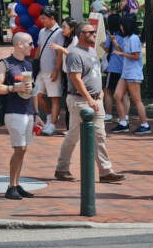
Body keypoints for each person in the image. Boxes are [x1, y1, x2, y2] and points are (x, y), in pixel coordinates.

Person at [54, 21, 126, 184]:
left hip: (95, 100)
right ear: (80, 35)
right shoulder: (74, 54)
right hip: (80, 101)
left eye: (94, 32)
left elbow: (94, 73)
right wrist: (89, 99)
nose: (94, 34)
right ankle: (62, 168)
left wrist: (99, 93)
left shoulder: (92, 51)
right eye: (90, 32)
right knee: (73, 136)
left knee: (100, 136)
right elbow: (76, 79)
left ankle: (106, 171)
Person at [0, 32, 43, 199]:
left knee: (23, 149)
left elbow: (32, 90)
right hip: (13, 111)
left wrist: (36, 113)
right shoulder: (5, 64)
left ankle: (17, 184)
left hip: (27, 111)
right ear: (19, 44)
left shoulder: (28, 64)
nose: (32, 46)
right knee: (19, 148)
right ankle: (11, 186)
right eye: (29, 43)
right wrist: (14, 88)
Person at [110, 17, 151, 134]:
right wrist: (115, 42)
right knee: (117, 96)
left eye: (122, 26)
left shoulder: (134, 39)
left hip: (133, 74)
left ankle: (145, 124)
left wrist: (121, 53)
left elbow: (136, 56)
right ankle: (123, 123)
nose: (120, 28)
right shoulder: (127, 38)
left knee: (137, 100)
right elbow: (123, 51)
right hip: (125, 73)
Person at [34, 6, 64, 136]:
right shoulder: (41, 31)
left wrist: (56, 70)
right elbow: (39, 48)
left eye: (44, 18)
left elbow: (60, 54)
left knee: (54, 98)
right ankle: (49, 116)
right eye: (41, 19)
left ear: (52, 18)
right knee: (37, 95)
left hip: (52, 70)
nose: (42, 21)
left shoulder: (59, 32)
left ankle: (52, 124)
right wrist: (34, 64)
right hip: (41, 70)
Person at [102, 14, 128, 123]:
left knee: (108, 91)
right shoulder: (126, 36)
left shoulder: (111, 36)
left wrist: (101, 45)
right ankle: (125, 115)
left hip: (113, 67)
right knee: (125, 93)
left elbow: (107, 49)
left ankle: (108, 114)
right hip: (125, 68)